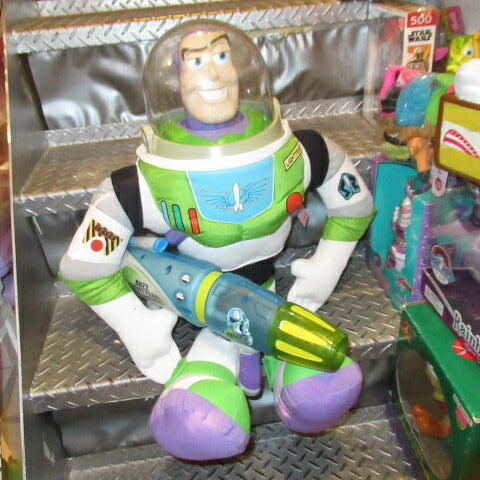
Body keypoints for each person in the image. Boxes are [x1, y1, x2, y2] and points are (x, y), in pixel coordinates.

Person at [59, 20, 374, 461]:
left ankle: (293, 381)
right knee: (199, 418)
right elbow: (84, 267)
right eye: (196, 62)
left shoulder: (301, 153)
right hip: (205, 304)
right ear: (178, 79)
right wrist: (136, 326)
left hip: (271, 297)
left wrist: (327, 265)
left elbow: (353, 202)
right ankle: (206, 385)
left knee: (322, 383)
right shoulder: (141, 186)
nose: (214, 73)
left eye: (223, 57)